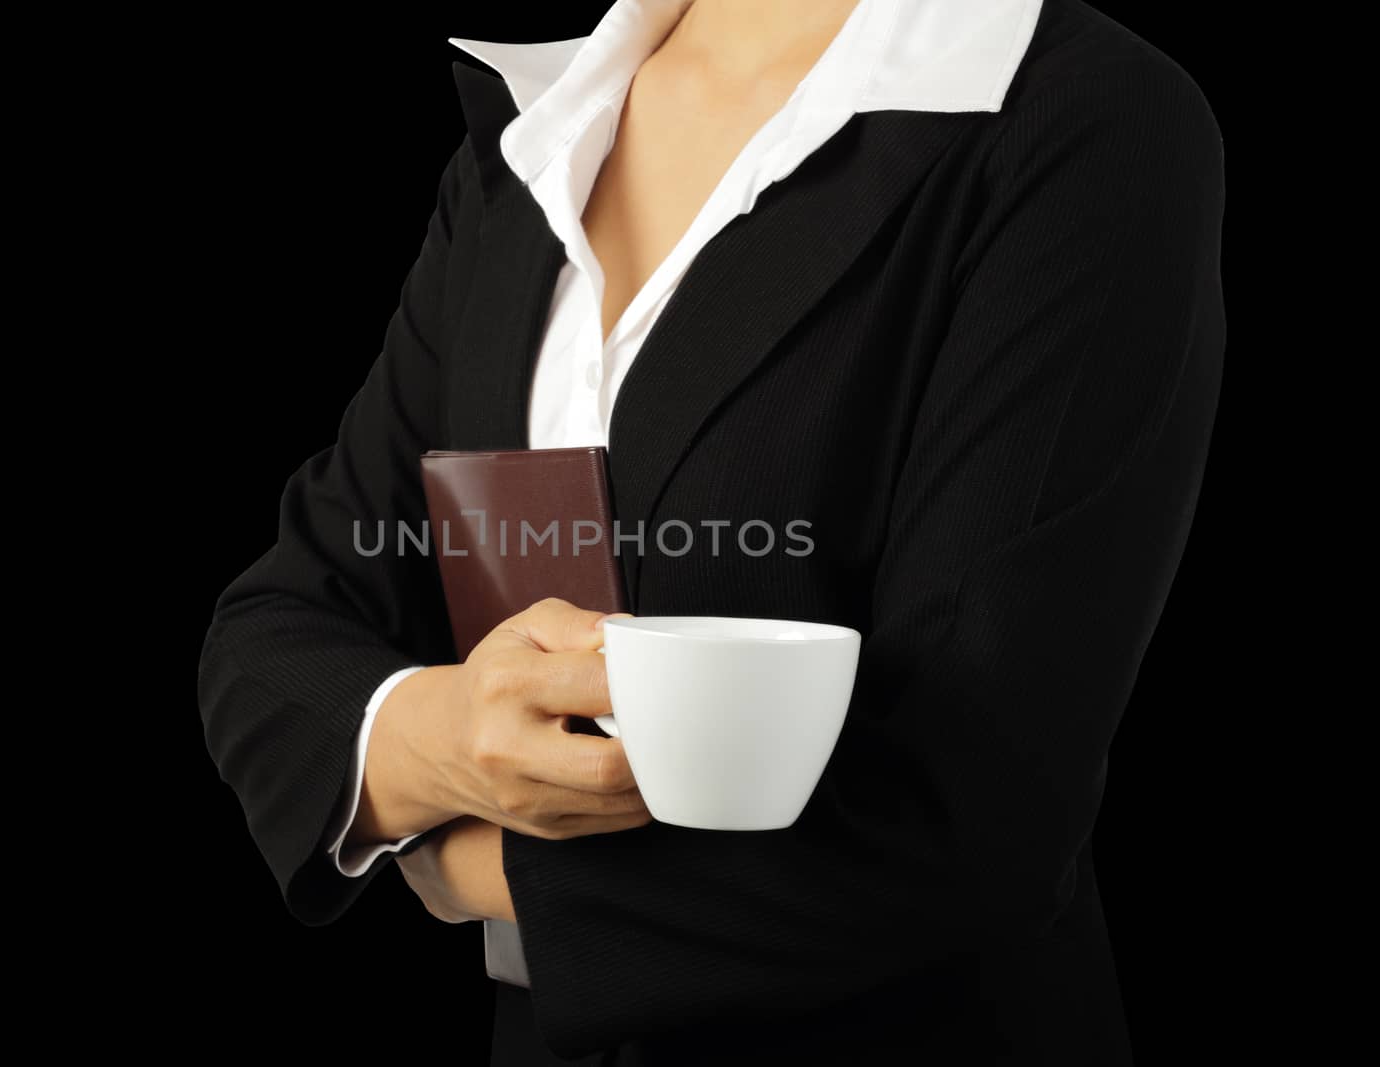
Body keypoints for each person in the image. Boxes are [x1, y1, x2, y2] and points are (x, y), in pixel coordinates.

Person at [196, 0, 1225, 1062]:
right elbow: (273, 633)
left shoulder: (1075, 117)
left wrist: (465, 864)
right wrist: (449, 738)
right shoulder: (537, 134)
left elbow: (971, 810)